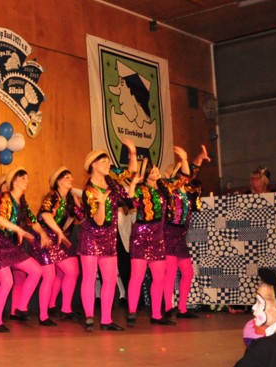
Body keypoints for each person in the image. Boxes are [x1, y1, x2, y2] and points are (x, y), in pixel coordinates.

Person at [125, 147, 192, 327]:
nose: (155, 171)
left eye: (156, 169)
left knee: (159, 277)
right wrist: (133, 184)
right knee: (137, 276)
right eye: (152, 170)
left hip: (158, 236)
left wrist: (184, 159)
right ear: (145, 174)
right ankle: (131, 312)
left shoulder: (164, 187)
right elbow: (129, 203)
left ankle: (156, 315)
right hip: (141, 236)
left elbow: (184, 178)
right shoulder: (140, 189)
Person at [78, 139, 140, 332]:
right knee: (89, 277)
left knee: (110, 279)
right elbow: (98, 221)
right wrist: (102, 203)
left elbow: (131, 172)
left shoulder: (112, 182)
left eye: (108, 162)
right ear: (94, 165)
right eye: (104, 162)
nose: (108, 164)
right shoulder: (89, 191)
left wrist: (132, 152)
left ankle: (106, 320)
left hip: (109, 238)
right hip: (91, 237)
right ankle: (89, 317)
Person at [0, 167, 49, 332]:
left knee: (36, 270)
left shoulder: (22, 202)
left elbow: (33, 221)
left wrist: (43, 234)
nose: (27, 181)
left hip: (11, 245)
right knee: (7, 281)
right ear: (14, 181)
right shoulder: (5, 197)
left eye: (27, 178)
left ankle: (21, 306)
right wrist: (18, 229)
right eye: (23, 178)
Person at [163, 145, 209, 319]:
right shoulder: (168, 190)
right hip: (168, 234)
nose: (181, 178)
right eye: (176, 174)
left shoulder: (187, 190)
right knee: (170, 273)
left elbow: (192, 172)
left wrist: (199, 158)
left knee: (188, 273)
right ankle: (168, 307)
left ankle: (182, 308)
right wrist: (183, 160)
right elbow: (187, 173)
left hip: (181, 236)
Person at [35, 166, 83, 324]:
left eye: (71, 177)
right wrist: (59, 232)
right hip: (46, 238)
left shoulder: (70, 199)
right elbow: (45, 214)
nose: (72, 179)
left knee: (72, 271)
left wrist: (79, 203)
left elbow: (82, 217)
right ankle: (43, 316)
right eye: (67, 177)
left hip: (61, 240)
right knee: (49, 276)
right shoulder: (52, 196)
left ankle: (64, 308)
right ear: (58, 181)